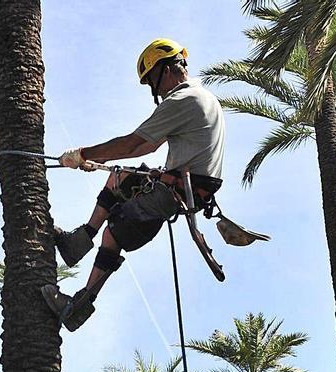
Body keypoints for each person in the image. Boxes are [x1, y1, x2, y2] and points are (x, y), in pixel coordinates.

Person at [41, 38, 226, 331]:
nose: (154, 89)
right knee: (119, 177)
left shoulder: (183, 99)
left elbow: (135, 144)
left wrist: (83, 154)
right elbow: (149, 145)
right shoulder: (204, 98)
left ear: (166, 70)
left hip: (178, 190)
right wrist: (98, 161)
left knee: (114, 233)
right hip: (186, 185)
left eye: (152, 79)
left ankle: (79, 305)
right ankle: (78, 243)